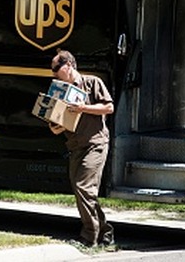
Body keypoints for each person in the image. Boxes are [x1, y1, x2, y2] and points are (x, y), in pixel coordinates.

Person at [48, 49, 115, 247]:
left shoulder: (92, 83)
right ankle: (106, 232)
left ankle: (88, 238)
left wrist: (82, 108)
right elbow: (55, 129)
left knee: (83, 188)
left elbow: (109, 107)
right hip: (76, 146)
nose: (53, 72)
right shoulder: (59, 91)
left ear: (68, 65)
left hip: (95, 144)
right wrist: (60, 119)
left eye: (55, 68)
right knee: (83, 192)